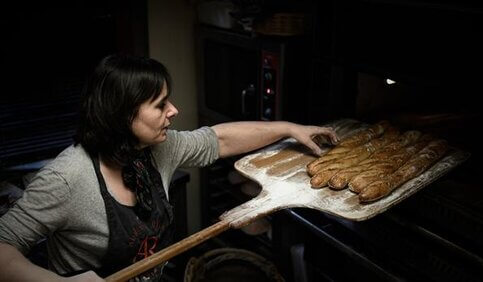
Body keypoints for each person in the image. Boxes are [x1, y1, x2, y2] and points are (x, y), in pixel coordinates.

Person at [0, 54, 337, 281]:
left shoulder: (156, 148)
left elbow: (219, 140)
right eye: (160, 104)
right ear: (122, 114)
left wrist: (290, 129)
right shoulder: (68, 178)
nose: (173, 110)